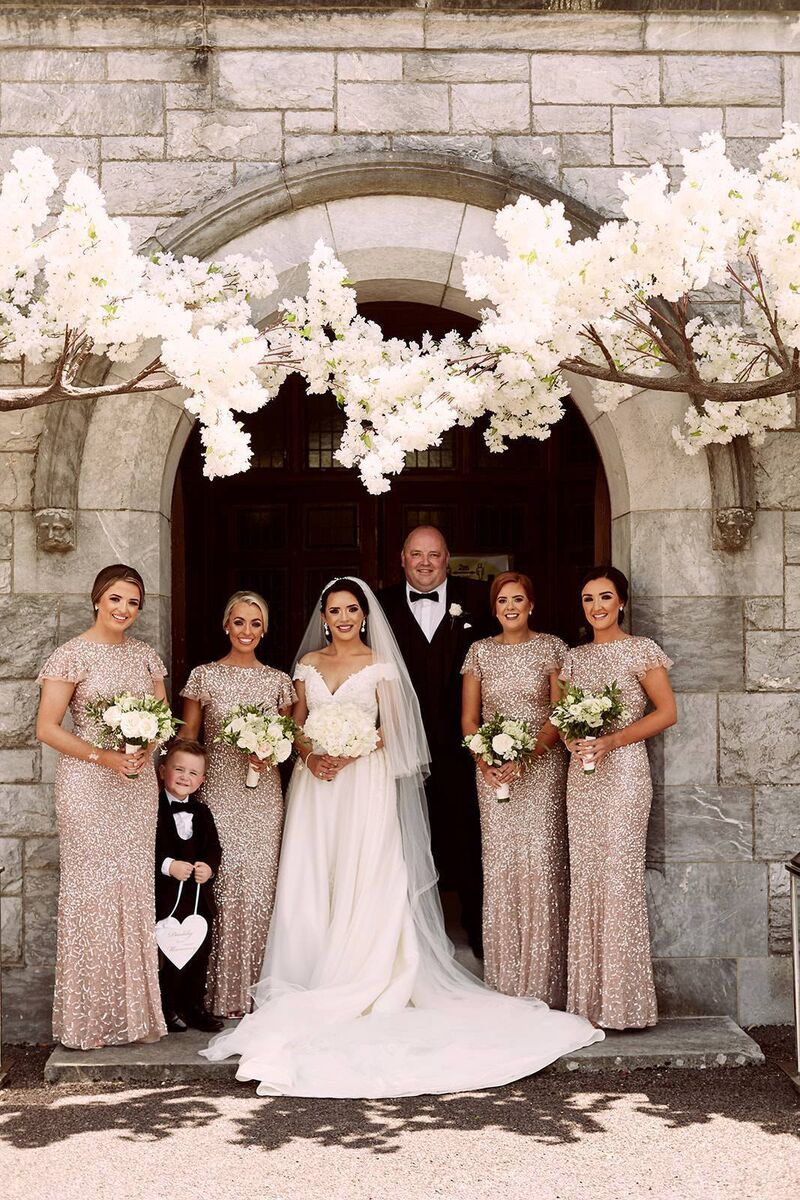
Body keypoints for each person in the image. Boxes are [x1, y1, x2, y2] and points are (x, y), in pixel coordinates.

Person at [200, 577, 602, 1097]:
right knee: (313, 871)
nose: (344, 618)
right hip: (316, 785)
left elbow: (396, 727)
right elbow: (294, 724)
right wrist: (311, 754)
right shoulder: (307, 666)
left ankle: (365, 965)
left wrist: (353, 749)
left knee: (365, 870)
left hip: (364, 780)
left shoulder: (381, 664)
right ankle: (312, 966)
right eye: (335, 610)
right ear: (324, 617)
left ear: (364, 615)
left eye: (352, 609)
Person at [36, 564, 167, 1050]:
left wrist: (144, 750)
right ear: (97, 599)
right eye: (115, 599)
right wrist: (102, 756)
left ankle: (134, 1017)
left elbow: (162, 720)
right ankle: (87, 1021)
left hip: (135, 785)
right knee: (91, 891)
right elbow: (47, 728)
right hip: (87, 786)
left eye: (133, 602)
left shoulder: (147, 657)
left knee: (132, 889)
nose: (123, 609)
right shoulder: (70, 655)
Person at [559, 566, 677, 1029]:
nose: (597, 607)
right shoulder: (573, 658)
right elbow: (563, 717)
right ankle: (588, 1002)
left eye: (605, 597)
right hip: (583, 775)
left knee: (619, 878)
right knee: (588, 879)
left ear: (621, 601)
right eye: (588, 599)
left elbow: (667, 712)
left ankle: (625, 1004)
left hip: (625, 773)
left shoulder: (641, 649)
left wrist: (614, 740)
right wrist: (573, 740)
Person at [180, 590, 296, 1019]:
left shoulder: (279, 682)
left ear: (265, 630)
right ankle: (213, 994)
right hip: (218, 794)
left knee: (261, 888)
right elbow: (188, 738)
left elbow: (288, 742)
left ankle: (258, 991)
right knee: (221, 885)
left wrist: (268, 753)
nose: (247, 630)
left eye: (255, 623)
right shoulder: (203, 676)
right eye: (240, 621)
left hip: (263, 797)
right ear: (226, 625)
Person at [379, 526, 488, 955]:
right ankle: (407, 938)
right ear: (402, 558)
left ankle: (477, 928)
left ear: (448, 558)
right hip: (398, 745)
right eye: (416, 554)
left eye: (434, 555)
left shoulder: (480, 599)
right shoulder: (379, 605)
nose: (425, 563)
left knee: (468, 835)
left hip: (463, 744)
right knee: (400, 838)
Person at [461, 572, 569, 1005]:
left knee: (541, 863)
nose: (510, 607)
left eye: (518, 599)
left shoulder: (553, 648)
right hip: (493, 774)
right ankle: (506, 980)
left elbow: (559, 713)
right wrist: (485, 761)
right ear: (494, 608)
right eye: (503, 600)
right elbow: (469, 719)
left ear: (531, 605)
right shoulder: (479, 652)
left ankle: (545, 981)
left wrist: (528, 756)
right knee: (502, 866)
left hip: (541, 770)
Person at [155, 740, 223, 1035]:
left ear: (202, 780)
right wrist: (169, 865)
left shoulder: (203, 812)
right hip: (166, 900)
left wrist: (208, 868)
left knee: (198, 954)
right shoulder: (152, 809)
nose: (185, 777)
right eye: (179, 769)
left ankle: (194, 1006)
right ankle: (166, 1006)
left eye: (193, 773)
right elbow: (147, 848)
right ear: (162, 771)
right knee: (168, 955)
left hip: (198, 901)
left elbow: (214, 848)